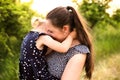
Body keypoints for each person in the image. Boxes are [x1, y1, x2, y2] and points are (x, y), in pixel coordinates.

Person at [46, 6, 94, 80]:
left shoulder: (78, 53)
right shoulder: (55, 43)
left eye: (51, 31)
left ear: (65, 29)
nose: (47, 34)